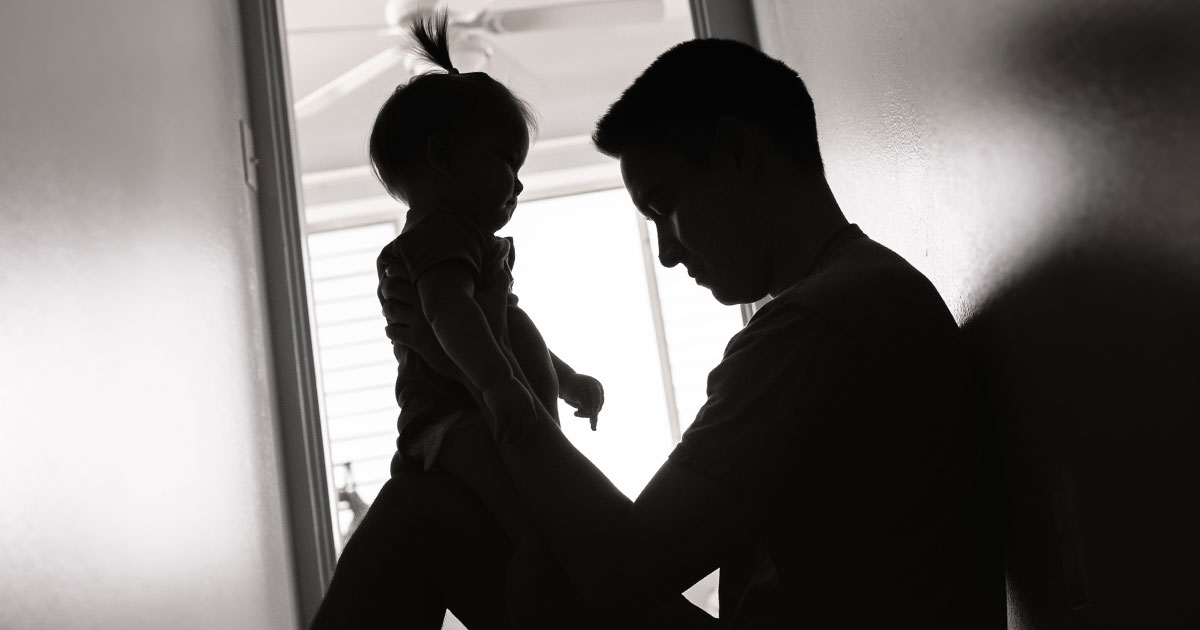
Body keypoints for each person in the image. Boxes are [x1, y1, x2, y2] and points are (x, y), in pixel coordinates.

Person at [378, 37, 1005, 628]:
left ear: (735, 153)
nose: (667, 254)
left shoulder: (818, 326)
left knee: (414, 516)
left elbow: (624, 571)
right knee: (421, 512)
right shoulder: (865, 292)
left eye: (664, 207)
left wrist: (479, 371)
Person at [309, 11, 608, 630]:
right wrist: (498, 385)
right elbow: (450, 316)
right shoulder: (438, 239)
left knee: (538, 512)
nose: (518, 185)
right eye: (508, 162)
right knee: (533, 521)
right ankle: (532, 592)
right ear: (444, 156)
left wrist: (563, 377)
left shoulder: (462, 244)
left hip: (474, 416)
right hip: (453, 423)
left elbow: (505, 328)